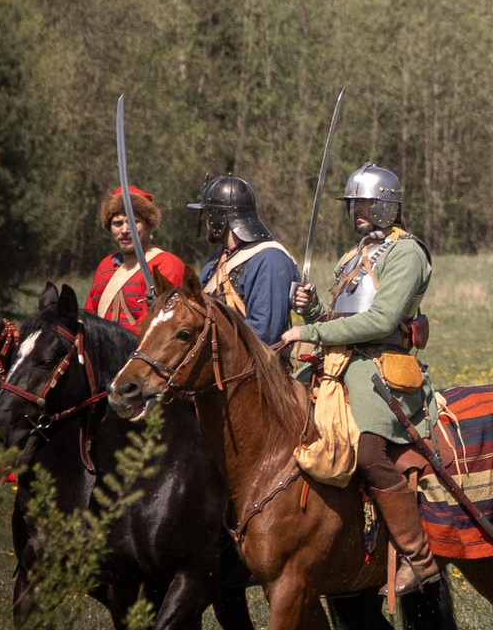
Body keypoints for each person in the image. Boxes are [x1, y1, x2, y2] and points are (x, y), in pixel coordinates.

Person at [281, 164, 450, 597]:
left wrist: (311, 331)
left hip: (382, 368)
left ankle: (420, 559)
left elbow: (379, 321)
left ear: (387, 205)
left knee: (369, 451)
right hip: (338, 363)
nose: (356, 210)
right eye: (353, 203)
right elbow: (339, 318)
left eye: (364, 203)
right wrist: (312, 308)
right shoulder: (352, 256)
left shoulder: (408, 253)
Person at [189, 173, 296, 346]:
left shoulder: (270, 259)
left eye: (207, 212)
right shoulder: (216, 260)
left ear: (221, 216)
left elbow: (264, 332)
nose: (203, 218)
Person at [85, 186, 189, 334]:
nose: (125, 230)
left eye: (134, 222)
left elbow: (162, 325)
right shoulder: (105, 265)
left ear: (148, 225)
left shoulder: (166, 263)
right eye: (118, 223)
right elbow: (90, 315)